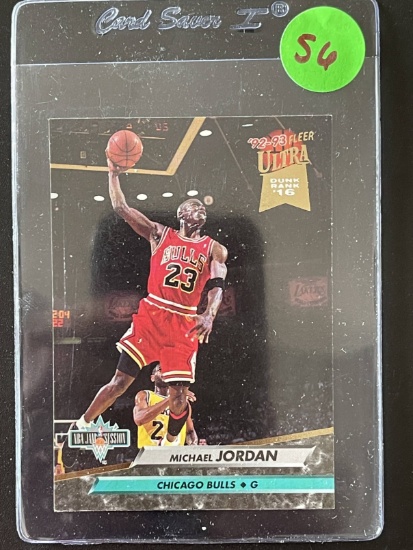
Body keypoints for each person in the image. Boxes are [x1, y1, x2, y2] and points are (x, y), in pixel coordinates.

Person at [75, 157, 228, 446]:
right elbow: (121, 208)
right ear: (181, 214)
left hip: (184, 320)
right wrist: (113, 175)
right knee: (120, 383)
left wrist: (210, 314)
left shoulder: (214, 248)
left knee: (179, 396)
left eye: (203, 207)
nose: (200, 208)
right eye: (193, 205)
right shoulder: (159, 234)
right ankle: (81, 425)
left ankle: (170, 446)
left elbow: (217, 284)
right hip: (153, 313)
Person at [134, 364, 198, 447]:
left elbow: (190, 431)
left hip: (174, 453)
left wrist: (193, 445)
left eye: (167, 371)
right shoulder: (145, 395)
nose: (165, 372)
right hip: (150, 452)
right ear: (152, 378)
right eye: (161, 369)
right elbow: (139, 419)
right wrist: (171, 398)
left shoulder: (183, 402)